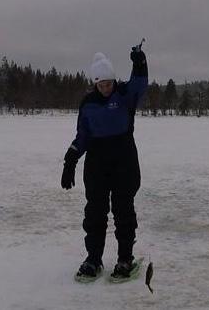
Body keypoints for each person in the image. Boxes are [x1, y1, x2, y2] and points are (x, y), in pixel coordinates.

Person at [61, 44, 148, 280]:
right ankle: (93, 259)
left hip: (124, 159)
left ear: (113, 81)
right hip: (97, 162)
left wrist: (139, 64)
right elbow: (83, 135)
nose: (106, 88)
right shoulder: (88, 103)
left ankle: (124, 259)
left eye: (109, 83)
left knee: (123, 210)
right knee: (95, 211)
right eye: (101, 84)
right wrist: (71, 159)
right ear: (95, 84)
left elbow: (139, 84)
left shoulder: (124, 95)